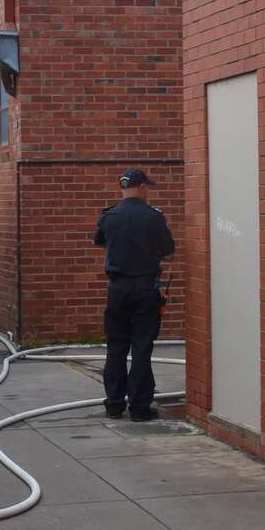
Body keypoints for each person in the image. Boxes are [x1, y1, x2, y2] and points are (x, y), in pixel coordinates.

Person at [92, 168, 176, 421]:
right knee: (141, 347)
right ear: (141, 187)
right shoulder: (153, 217)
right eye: (146, 187)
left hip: (117, 288)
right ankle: (139, 408)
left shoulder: (109, 216)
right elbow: (169, 249)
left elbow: (98, 241)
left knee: (116, 347)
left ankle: (114, 405)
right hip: (144, 287)